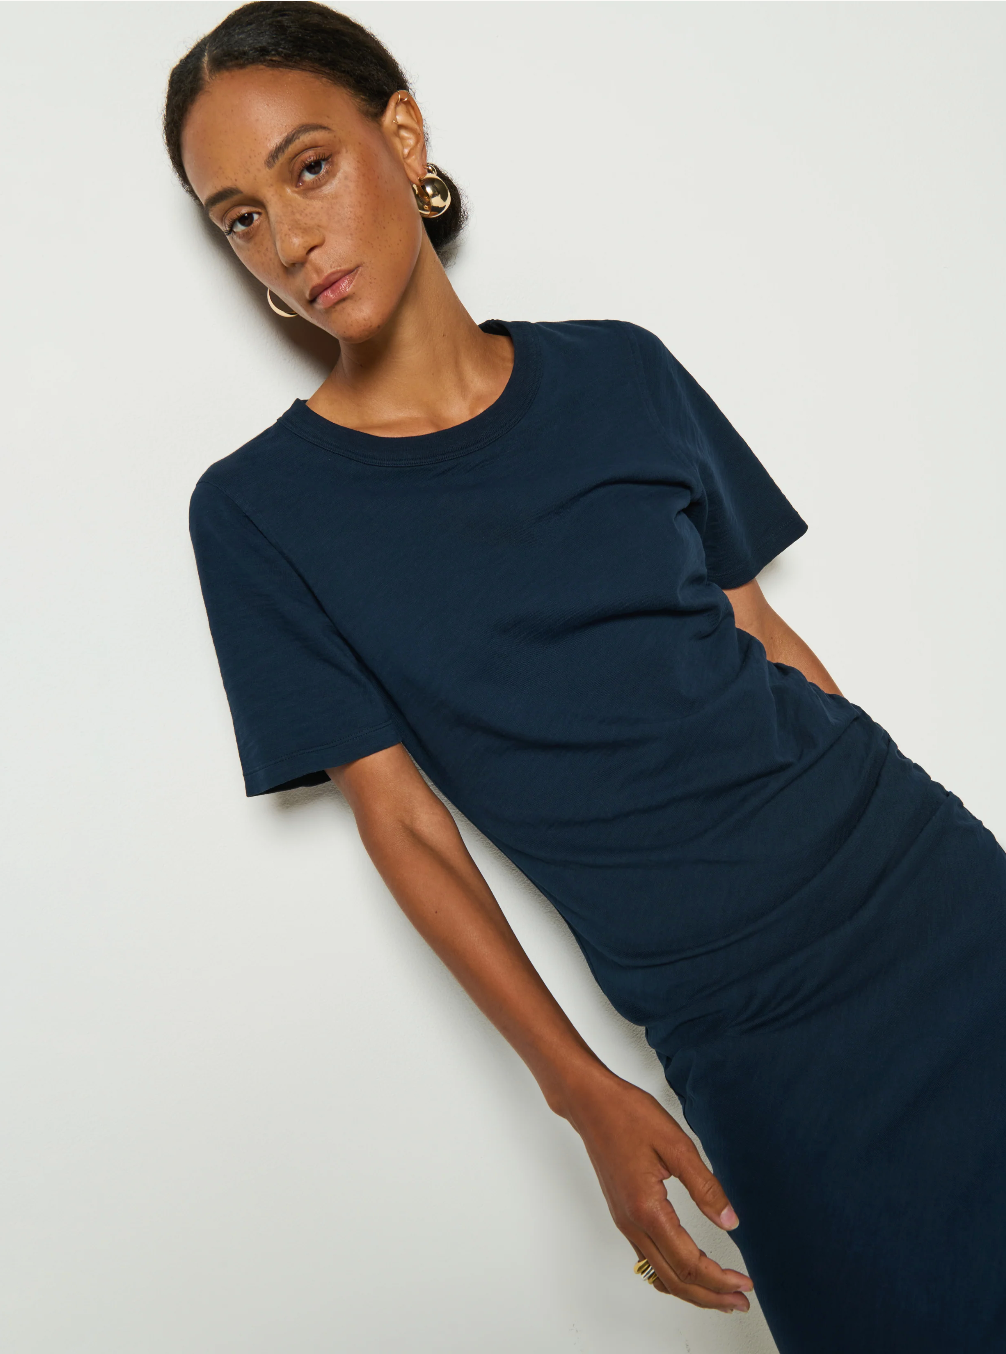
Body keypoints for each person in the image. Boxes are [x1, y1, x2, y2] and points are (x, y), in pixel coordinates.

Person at [166, 4, 1006, 1350]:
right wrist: (579, 1089)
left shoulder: (619, 369)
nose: (287, 237)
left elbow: (764, 642)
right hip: (731, 1015)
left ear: (401, 135)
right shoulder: (259, 513)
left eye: (306, 166)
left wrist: (909, 829)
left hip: (927, 896)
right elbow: (405, 824)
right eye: (238, 218)